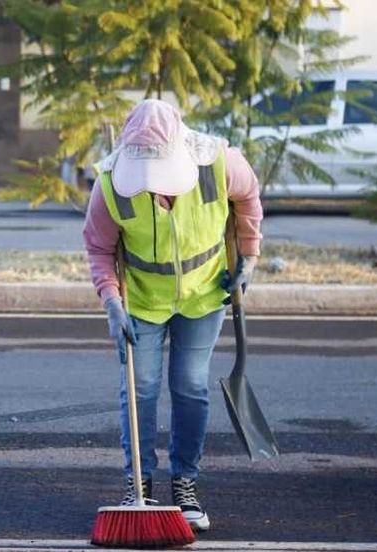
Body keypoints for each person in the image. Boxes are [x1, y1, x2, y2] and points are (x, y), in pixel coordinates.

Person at [82, 99, 263, 532]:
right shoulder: (110, 184)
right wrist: (111, 302)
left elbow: (249, 198)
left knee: (189, 385)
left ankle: (184, 483)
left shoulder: (219, 162)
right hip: (142, 302)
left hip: (203, 296)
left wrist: (250, 256)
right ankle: (139, 487)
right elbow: (99, 248)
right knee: (141, 388)